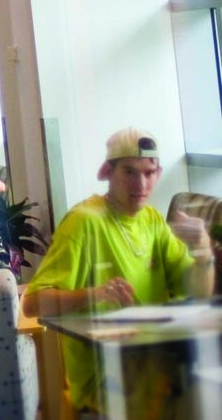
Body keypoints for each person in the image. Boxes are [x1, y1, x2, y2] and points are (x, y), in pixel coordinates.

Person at [22, 128, 212, 416]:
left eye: (149, 173)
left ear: (158, 173)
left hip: (158, 367)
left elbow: (198, 292)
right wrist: (95, 294)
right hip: (106, 379)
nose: (141, 183)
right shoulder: (83, 222)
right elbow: (33, 302)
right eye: (130, 172)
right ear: (108, 172)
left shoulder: (152, 220)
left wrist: (202, 250)